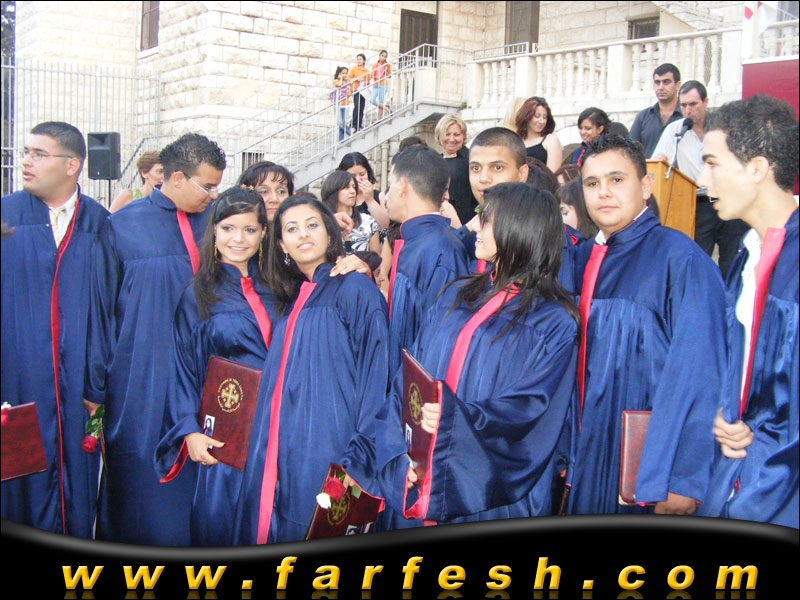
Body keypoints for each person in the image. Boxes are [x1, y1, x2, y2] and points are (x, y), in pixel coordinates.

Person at [375, 182, 579, 526]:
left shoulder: (553, 322)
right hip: (418, 470)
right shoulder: (458, 293)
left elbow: (530, 409)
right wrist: (399, 453)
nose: (475, 228)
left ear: (520, 229)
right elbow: (410, 374)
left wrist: (455, 418)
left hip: (488, 493)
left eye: (487, 221)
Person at [565, 134, 726, 516]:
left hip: (650, 460)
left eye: (617, 180)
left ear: (646, 186)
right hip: (588, 452)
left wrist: (683, 478)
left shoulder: (680, 259)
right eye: (592, 183)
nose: (604, 192)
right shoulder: (582, 258)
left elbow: (701, 371)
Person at [86, 133, 226, 545]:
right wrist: (95, 385)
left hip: (210, 378)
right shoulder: (121, 226)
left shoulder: (223, 226)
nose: (213, 195)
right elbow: (100, 310)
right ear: (177, 178)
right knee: (142, 488)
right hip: (141, 379)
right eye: (207, 186)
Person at [233, 195, 389, 543]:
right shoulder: (292, 297)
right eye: (291, 229)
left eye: (312, 225)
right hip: (282, 445)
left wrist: (361, 456)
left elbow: (377, 375)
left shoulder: (355, 289)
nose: (303, 234)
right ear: (281, 244)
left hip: (331, 444)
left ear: (330, 234)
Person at [695, 95, 799, 528]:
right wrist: (728, 414)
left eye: (713, 164)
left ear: (756, 168)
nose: (702, 180)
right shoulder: (748, 253)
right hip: (743, 469)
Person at [1, 121, 108, 538]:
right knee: (17, 485)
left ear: (71, 165)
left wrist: (98, 384)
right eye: (25, 152)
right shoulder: (6, 217)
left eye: (38, 154)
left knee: (76, 489)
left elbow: (109, 312)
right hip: (16, 384)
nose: (25, 162)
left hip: (78, 390)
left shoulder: (100, 225)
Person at [154, 187, 277, 545]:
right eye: (228, 228)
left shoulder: (281, 285)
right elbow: (182, 367)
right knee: (222, 521)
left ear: (263, 233)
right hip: (228, 429)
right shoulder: (198, 295)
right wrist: (188, 430)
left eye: (249, 229)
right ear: (214, 231)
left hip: (279, 426)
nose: (238, 239)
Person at [384, 145, 470, 370]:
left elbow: (439, 342)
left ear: (403, 186)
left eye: (390, 185)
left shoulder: (442, 250)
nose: (386, 196)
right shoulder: (417, 240)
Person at [652, 80, 749, 278]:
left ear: (705, 102)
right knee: (698, 260)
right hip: (698, 204)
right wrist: (662, 161)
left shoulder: (724, 127)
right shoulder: (675, 131)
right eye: (683, 105)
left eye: (693, 104)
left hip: (729, 199)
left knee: (733, 260)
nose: (688, 110)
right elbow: (657, 165)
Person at [629, 63, 683, 158]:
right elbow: (630, 151)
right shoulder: (643, 117)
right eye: (657, 83)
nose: (661, 87)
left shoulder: (685, 116)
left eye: (666, 82)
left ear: (677, 85)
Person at [321, 170, 380, 254]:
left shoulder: (368, 221)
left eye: (354, 187)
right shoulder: (322, 222)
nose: (353, 191)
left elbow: (376, 259)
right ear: (333, 190)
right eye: (346, 187)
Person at [435, 114, 478, 226]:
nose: (451, 139)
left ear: (463, 136)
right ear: (439, 136)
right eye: (447, 134)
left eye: (456, 134)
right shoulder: (436, 160)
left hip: (466, 223)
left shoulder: (472, 160)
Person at [337, 152, 390, 229]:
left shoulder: (380, 196)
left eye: (362, 174)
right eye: (352, 176)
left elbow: (385, 225)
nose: (358, 179)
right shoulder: (339, 197)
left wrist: (370, 200)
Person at [515, 96, 563, 173]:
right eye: (537, 116)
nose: (541, 121)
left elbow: (552, 175)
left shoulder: (550, 140)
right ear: (527, 116)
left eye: (545, 117)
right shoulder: (517, 141)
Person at [349, 53, 369, 132]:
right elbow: (349, 78)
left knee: (361, 107)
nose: (359, 61)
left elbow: (368, 80)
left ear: (364, 61)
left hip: (363, 90)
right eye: (358, 59)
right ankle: (353, 124)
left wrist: (365, 82)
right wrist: (356, 79)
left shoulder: (366, 71)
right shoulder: (354, 69)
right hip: (356, 89)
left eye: (360, 59)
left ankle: (359, 124)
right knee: (357, 106)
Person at [331, 66, 351, 142]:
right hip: (338, 104)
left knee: (343, 122)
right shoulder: (336, 81)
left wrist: (348, 84)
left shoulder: (347, 83)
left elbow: (349, 94)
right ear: (339, 73)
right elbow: (339, 85)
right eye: (343, 73)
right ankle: (350, 132)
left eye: (346, 73)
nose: (344, 75)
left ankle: (341, 140)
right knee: (340, 122)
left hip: (345, 104)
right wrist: (341, 78)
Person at [370, 50, 391, 120]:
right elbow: (371, 75)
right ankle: (386, 107)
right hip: (376, 84)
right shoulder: (375, 65)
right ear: (379, 56)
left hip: (383, 84)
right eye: (382, 56)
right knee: (372, 100)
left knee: (381, 101)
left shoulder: (387, 65)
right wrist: (376, 77)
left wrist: (385, 74)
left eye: (385, 56)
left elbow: (390, 75)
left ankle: (378, 119)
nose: (383, 58)